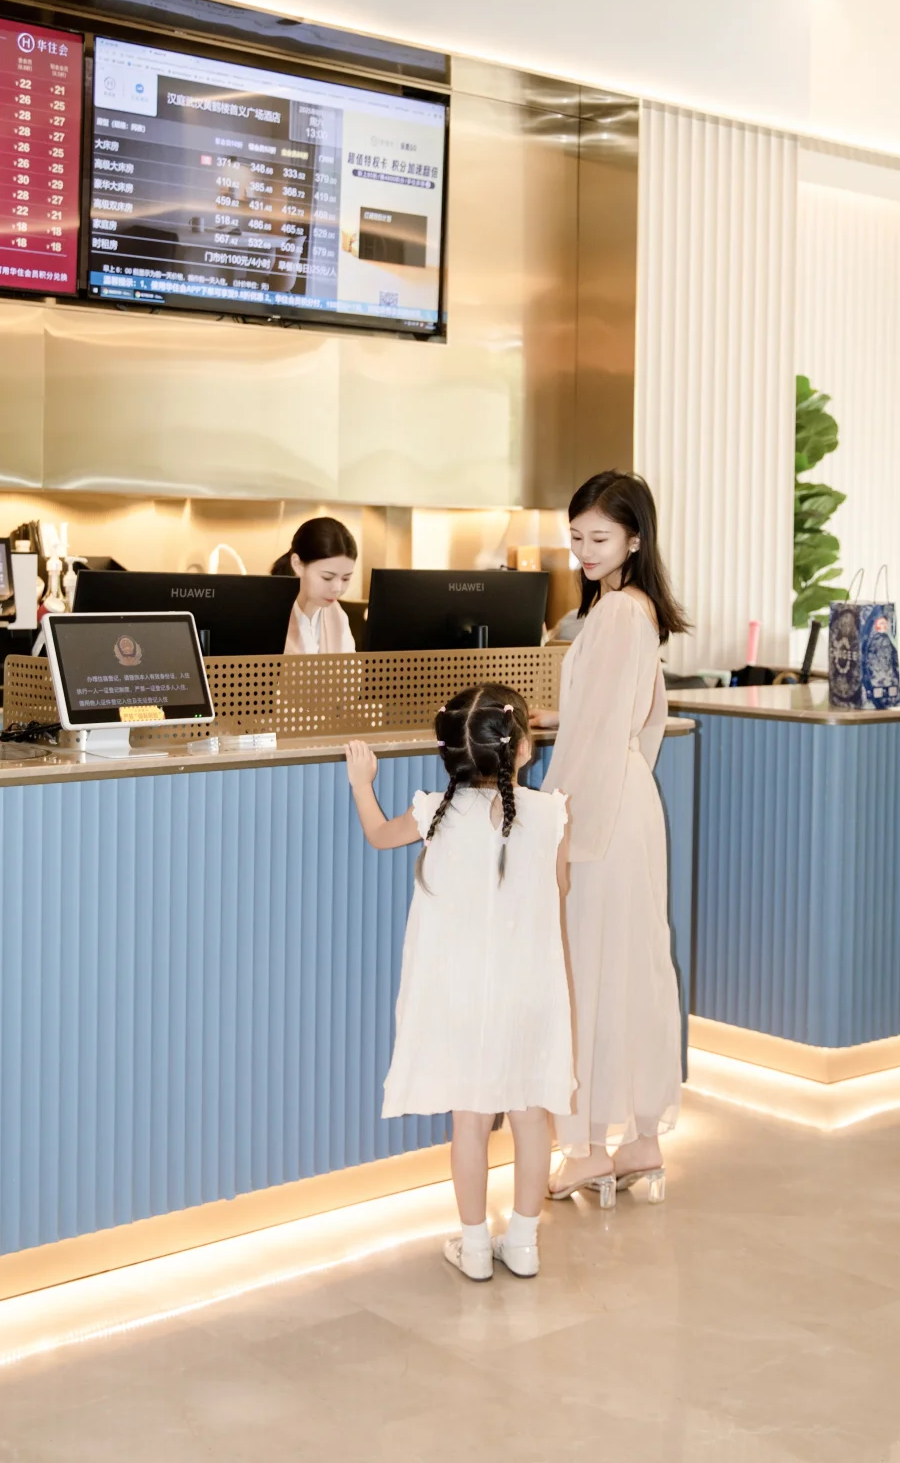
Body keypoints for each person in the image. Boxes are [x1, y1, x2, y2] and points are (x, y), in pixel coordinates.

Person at [345, 685, 572, 1281]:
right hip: (529, 993)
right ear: (523, 749)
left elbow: (378, 835)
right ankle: (523, 1243)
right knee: (530, 1116)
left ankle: (474, 1248)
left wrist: (362, 784)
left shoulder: (435, 814)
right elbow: (560, 890)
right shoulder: (551, 814)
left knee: (469, 1122)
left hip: (462, 996)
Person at [533, 470, 688, 1205]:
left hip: (599, 807)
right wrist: (566, 718)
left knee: (589, 970)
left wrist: (558, 824)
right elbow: (624, 716)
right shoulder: (634, 609)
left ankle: (590, 1148)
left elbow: (599, 735)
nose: (584, 551)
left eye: (599, 538)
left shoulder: (618, 611)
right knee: (632, 966)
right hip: (628, 801)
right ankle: (641, 1138)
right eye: (576, 538)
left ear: (633, 539)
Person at [272, 517, 358, 654]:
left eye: (346, 578)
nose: (337, 588)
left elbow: (350, 665)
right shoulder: (270, 615)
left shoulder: (337, 615)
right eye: (327, 577)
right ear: (298, 564)